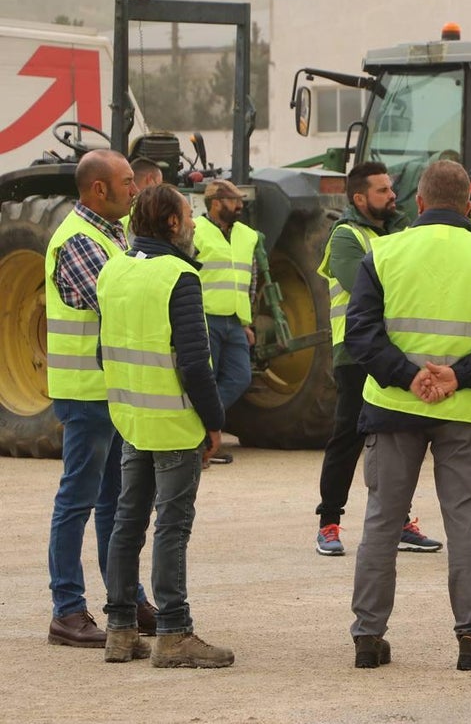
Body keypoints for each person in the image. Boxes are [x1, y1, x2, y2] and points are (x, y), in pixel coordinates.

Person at [345, 160, 471, 672]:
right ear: (469, 206)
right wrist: (459, 376)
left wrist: (408, 376)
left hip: (392, 406)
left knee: (382, 521)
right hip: (463, 410)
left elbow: (361, 332)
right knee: (464, 524)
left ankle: (368, 638)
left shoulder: (383, 253)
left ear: (420, 203)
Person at [98, 183, 233, 668]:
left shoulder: (113, 269)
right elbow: (195, 364)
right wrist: (214, 422)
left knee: (127, 523)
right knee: (171, 528)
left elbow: (102, 352)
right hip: (174, 422)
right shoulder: (180, 276)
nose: (194, 222)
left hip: (131, 417)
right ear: (172, 223)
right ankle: (173, 634)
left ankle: (120, 632)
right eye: (189, 215)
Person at [45, 149, 155, 649]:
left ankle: (126, 601)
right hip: (87, 393)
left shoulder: (113, 234)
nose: (135, 189)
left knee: (116, 503)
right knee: (79, 501)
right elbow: (119, 303)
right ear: (99, 189)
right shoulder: (78, 240)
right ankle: (67, 610)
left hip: (111, 390)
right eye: (128, 182)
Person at [313, 162, 441, 556]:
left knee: (397, 438)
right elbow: (366, 288)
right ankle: (328, 524)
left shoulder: (401, 231)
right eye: (382, 190)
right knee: (348, 437)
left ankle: (400, 522)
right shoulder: (345, 236)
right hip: (356, 352)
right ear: (359, 197)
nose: (392, 196)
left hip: (396, 350)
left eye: (391, 188)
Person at [192, 179, 260, 464]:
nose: (240, 205)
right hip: (204, 318)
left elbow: (250, 280)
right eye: (234, 201)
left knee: (240, 377)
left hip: (235, 321)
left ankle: (199, 431)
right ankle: (203, 440)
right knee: (205, 380)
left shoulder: (247, 235)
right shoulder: (195, 231)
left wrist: (247, 322)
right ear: (216, 203)